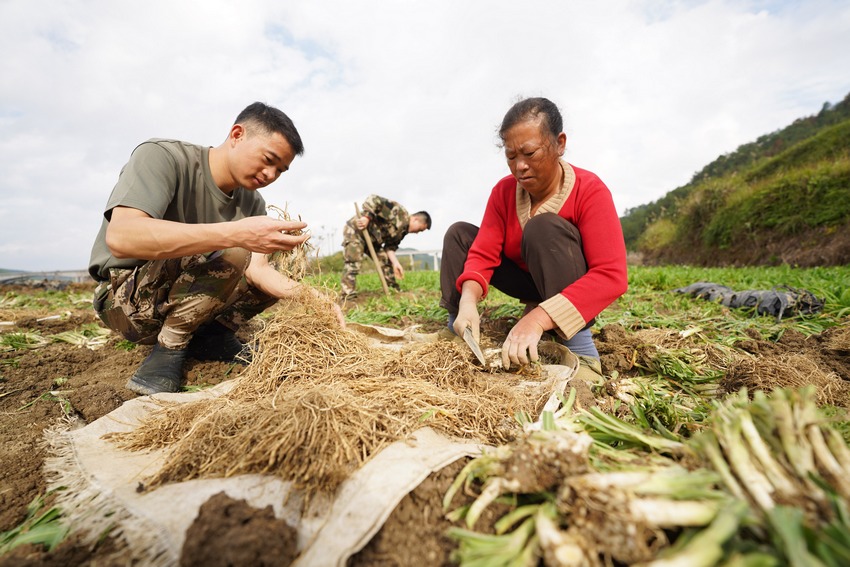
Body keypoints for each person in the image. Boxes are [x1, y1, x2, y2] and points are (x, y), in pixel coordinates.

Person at [88, 101, 344, 396]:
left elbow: (258, 271)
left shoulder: (252, 202)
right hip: (126, 302)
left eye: (280, 170)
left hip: (180, 295)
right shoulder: (162, 156)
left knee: (267, 258)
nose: (271, 174)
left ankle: (215, 336)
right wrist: (235, 233)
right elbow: (122, 237)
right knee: (236, 249)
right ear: (237, 135)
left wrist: (308, 295)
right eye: (268, 159)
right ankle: (169, 347)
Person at [440, 97, 628, 376]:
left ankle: (579, 346)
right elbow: (483, 252)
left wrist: (538, 319)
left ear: (559, 144)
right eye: (511, 156)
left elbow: (611, 275)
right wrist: (468, 300)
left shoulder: (590, 190)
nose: (520, 166)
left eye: (529, 153)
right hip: (527, 283)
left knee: (543, 227)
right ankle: (458, 327)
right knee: (459, 234)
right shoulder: (503, 192)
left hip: (570, 287)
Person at [340, 195, 431, 298]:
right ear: (415, 219)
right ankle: (348, 294)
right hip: (356, 231)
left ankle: (392, 289)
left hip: (373, 239)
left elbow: (390, 247)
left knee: (385, 260)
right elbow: (374, 199)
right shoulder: (398, 211)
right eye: (419, 229)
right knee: (354, 261)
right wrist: (366, 217)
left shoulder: (402, 232)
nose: (417, 233)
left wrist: (396, 263)